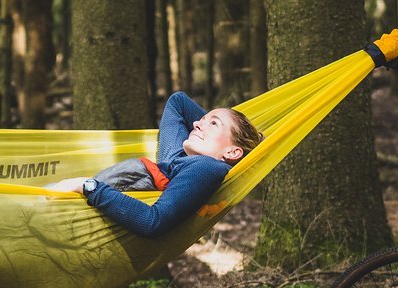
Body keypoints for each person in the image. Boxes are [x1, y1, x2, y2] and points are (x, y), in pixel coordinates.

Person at [48, 92, 263, 238]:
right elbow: (178, 102)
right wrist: (209, 133)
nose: (197, 123)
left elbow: (153, 222)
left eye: (213, 123)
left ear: (232, 152)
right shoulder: (187, 158)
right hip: (173, 164)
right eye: (202, 119)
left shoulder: (206, 168)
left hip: (166, 175)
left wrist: (87, 186)